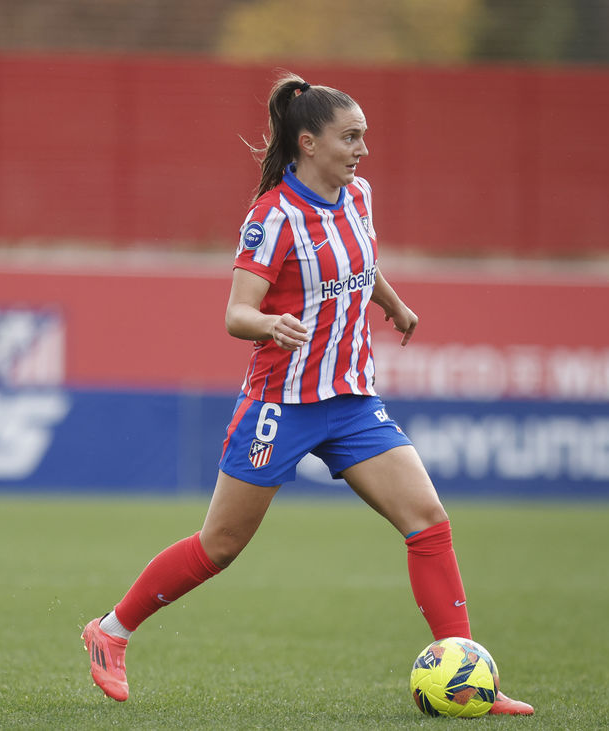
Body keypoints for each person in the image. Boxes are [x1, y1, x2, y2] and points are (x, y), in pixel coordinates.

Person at [79, 74, 534, 716]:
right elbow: (237, 313)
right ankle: (111, 631)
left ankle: (466, 681)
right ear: (309, 142)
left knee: (427, 520)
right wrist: (271, 325)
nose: (361, 151)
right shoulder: (271, 218)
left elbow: (362, 265)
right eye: (351, 138)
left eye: (364, 139)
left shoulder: (359, 195)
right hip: (280, 405)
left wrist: (395, 306)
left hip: (351, 400)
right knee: (220, 546)